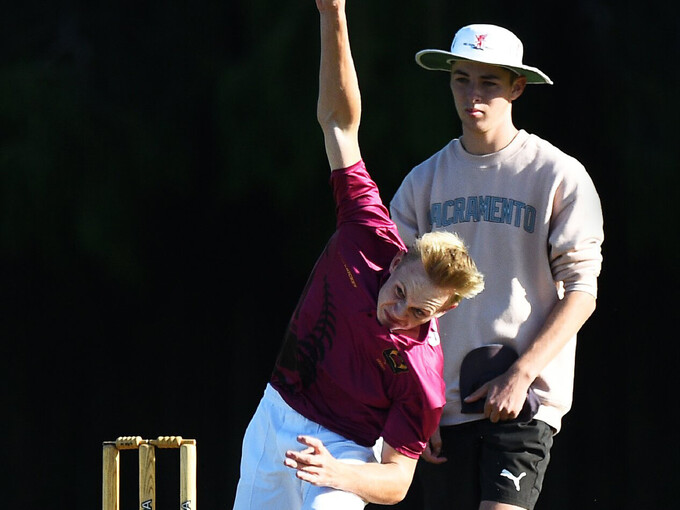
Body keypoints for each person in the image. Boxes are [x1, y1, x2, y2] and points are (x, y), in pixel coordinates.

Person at [231, 2, 484, 509]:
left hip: (344, 450)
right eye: (400, 293)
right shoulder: (368, 231)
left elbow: (397, 480)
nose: (399, 313)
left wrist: (339, 471)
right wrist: (333, 12)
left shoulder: (423, 375)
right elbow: (339, 125)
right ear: (396, 261)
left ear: (445, 309)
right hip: (276, 414)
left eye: (420, 312)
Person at [389, 23, 604, 510]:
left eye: (488, 82)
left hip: (525, 402)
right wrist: (416, 402)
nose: (473, 94)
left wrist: (521, 374)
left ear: (517, 87)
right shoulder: (423, 181)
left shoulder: (558, 174)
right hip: (441, 409)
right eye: (461, 79)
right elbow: (394, 300)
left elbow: (582, 291)